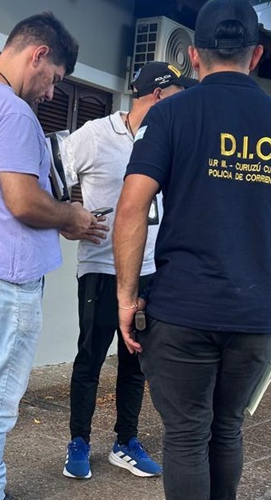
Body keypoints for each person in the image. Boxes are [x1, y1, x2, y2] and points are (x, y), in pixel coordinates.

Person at [113, 0, 271, 500]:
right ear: (257, 55)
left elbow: (131, 207)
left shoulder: (170, 114)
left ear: (193, 56)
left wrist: (125, 297)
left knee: (187, 435)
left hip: (182, 310)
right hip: (253, 313)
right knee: (226, 429)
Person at [0, 12, 107, 500]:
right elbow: (24, 201)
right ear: (38, 55)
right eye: (55, 79)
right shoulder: (13, 112)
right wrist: (72, 216)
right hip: (6, 277)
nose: (51, 92)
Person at [60, 62, 196, 480]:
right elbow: (52, 177)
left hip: (152, 270)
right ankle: (79, 442)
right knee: (90, 358)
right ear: (157, 94)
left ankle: (125, 442)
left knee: (136, 360)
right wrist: (69, 217)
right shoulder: (96, 135)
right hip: (102, 267)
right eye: (177, 96)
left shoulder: (171, 139)